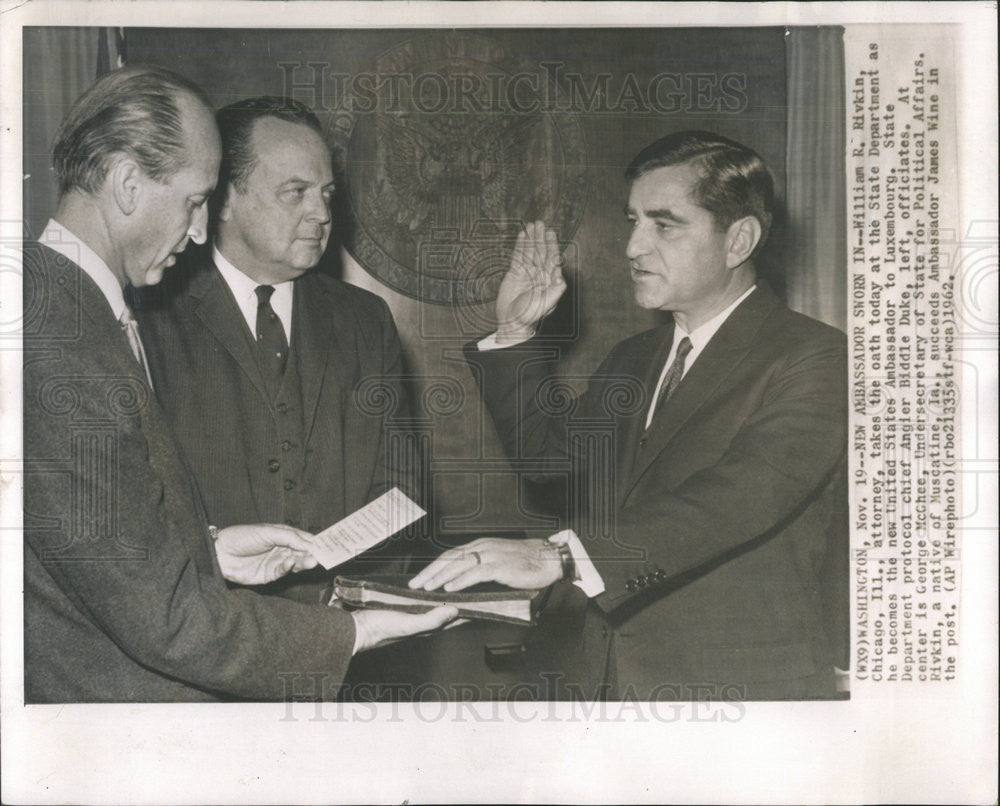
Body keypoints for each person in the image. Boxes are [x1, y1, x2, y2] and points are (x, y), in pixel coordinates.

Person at [23, 65, 455, 703]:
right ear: (125, 183)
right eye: (196, 200)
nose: (197, 229)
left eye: (327, 193)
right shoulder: (65, 330)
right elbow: (162, 615)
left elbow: (102, 535)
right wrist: (353, 635)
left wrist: (212, 547)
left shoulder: (56, 303)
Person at [410, 131, 849, 700]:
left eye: (664, 225)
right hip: (593, 676)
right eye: (633, 221)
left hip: (730, 689)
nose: (633, 247)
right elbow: (547, 460)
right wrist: (517, 332)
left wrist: (561, 556)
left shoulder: (816, 356)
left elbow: (740, 496)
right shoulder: (634, 358)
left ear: (738, 239)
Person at [135, 96, 421, 604]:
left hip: (348, 628)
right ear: (223, 199)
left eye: (327, 193)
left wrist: (361, 598)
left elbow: (401, 492)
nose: (322, 213)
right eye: (296, 192)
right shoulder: (151, 315)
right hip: (206, 636)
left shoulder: (365, 320)